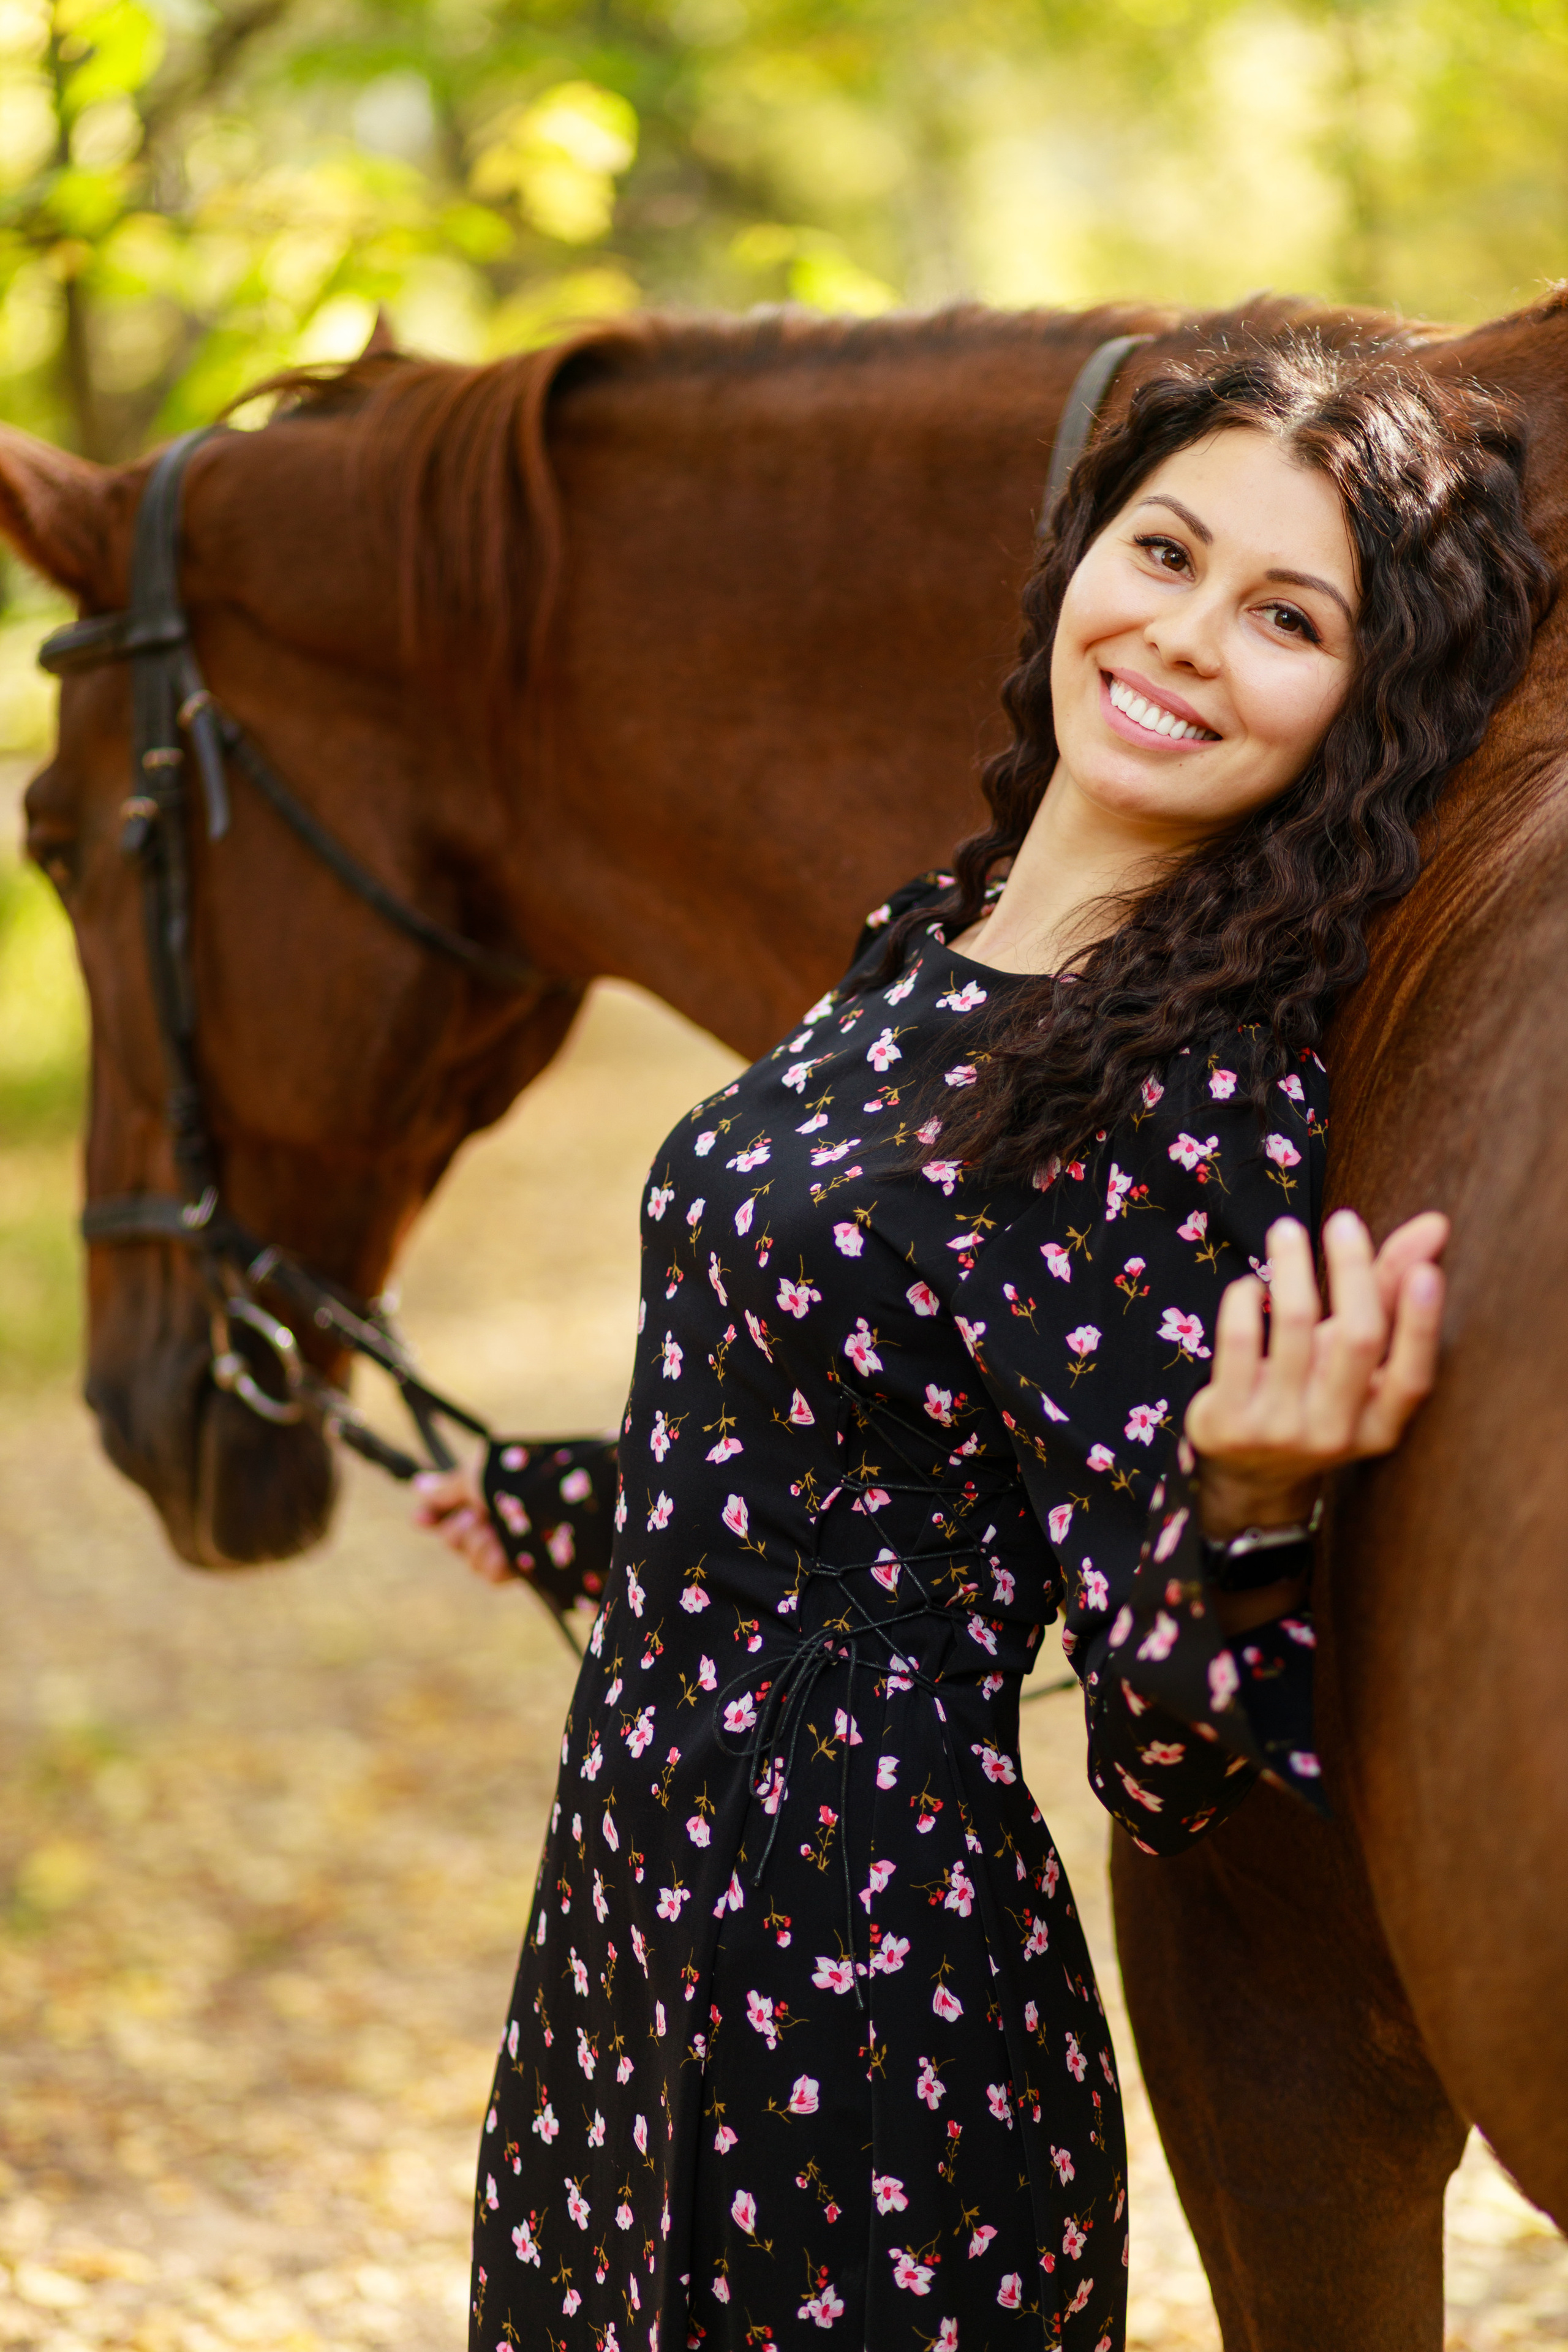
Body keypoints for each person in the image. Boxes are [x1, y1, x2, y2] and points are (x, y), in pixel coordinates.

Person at [415, 341, 1552, 2352]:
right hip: (633, 1922)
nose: (1189, 637)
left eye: (1288, 618)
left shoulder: (1191, 1093)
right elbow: (872, 1428)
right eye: (1168, 549)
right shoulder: (921, 943)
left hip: (867, 2001)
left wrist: (1244, 1492)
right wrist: (567, 1499)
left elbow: (1177, 1743)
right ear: (1078, 556)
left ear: (1356, 711)